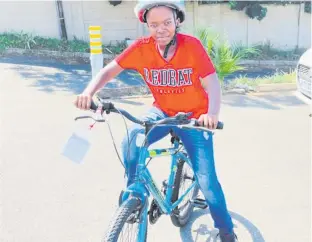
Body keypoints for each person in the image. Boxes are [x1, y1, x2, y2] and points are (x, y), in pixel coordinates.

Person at [74, 0, 237, 241]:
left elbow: (211, 81)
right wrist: (89, 92)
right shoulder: (142, 48)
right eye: (153, 24)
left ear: (177, 21)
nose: (160, 29)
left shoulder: (191, 47)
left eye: (167, 23)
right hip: (162, 112)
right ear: (146, 25)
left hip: (194, 118)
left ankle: (226, 231)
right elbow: (109, 70)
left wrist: (211, 114)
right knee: (133, 138)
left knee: (208, 181)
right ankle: (134, 193)